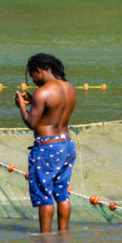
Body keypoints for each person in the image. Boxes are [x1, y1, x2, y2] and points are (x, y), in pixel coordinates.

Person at [14, 53, 77, 233]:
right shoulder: (69, 88)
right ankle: (64, 233)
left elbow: (31, 123)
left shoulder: (42, 92)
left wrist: (21, 105)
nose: (33, 80)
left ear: (39, 70)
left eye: (32, 75)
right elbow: (52, 112)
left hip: (47, 147)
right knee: (62, 193)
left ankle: (45, 238)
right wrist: (32, 102)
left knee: (44, 195)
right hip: (67, 144)